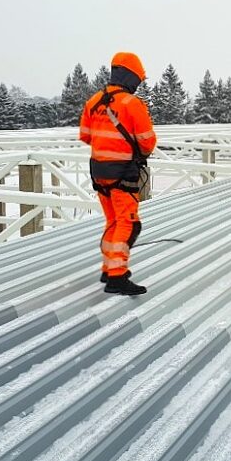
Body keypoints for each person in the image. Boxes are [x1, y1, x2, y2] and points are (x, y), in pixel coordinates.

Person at [79, 52, 156, 294]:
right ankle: (117, 276)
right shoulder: (132, 104)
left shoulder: (94, 101)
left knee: (113, 221)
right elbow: (147, 142)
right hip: (123, 173)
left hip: (99, 172)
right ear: (132, 77)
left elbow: (85, 136)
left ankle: (108, 268)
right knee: (129, 224)